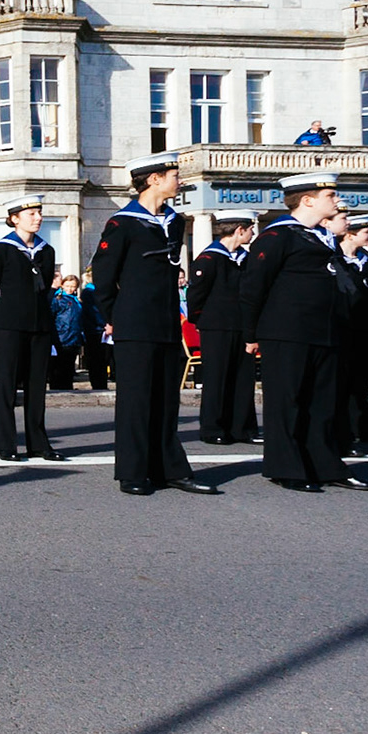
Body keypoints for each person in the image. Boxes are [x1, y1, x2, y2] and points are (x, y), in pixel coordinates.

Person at [241, 173, 368, 491]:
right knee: (287, 401)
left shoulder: (321, 237)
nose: (337, 199)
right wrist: (251, 334)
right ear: (307, 200)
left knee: (322, 403)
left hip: (325, 331)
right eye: (330, 195)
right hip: (287, 332)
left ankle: (325, 465)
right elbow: (253, 286)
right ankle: (286, 467)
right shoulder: (278, 236)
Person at [97, 152, 217, 496]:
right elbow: (103, 277)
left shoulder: (174, 221)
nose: (180, 181)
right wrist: (114, 317)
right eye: (174, 176)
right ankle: (133, 472)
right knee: (136, 401)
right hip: (134, 323)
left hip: (166, 321)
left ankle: (169, 469)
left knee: (166, 401)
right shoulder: (122, 223)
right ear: (154, 179)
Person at [0, 195, 64, 462]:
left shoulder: (46, 251)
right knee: (7, 385)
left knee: (37, 386)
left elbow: (45, 289)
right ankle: (5, 444)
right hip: (9, 326)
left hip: (39, 325)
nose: (38, 218)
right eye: (31, 214)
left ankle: (38, 443)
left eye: (39, 213)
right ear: (14, 219)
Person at [186, 209, 259, 445]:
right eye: (250, 229)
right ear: (239, 230)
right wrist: (201, 321)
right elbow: (196, 295)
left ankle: (242, 428)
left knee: (243, 378)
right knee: (217, 378)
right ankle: (213, 428)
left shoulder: (246, 259)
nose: (252, 234)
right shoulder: (210, 259)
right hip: (216, 327)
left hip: (242, 326)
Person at [334, 213, 368, 456]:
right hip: (347, 330)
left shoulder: (365, 262)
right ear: (351, 235)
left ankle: (365, 427)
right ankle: (349, 431)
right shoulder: (337, 261)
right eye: (365, 232)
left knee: (361, 383)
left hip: (367, 330)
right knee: (347, 383)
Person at [50, 275, 85, 391]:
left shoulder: (77, 301)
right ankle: (57, 387)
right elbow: (51, 317)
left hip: (74, 337)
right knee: (59, 366)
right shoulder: (58, 300)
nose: (70, 289)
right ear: (62, 286)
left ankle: (67, 386)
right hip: (62, 336)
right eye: (67, 286)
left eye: (72, 286)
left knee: (69, 366)